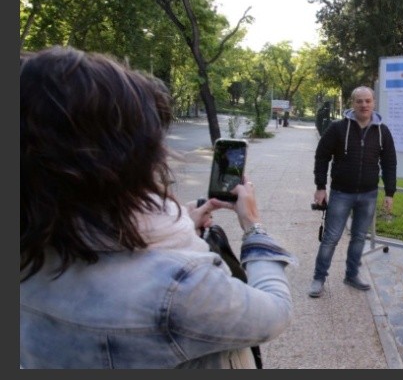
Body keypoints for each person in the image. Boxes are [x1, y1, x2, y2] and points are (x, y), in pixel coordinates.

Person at [20, 46, 297, 369]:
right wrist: (254, 226)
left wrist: (181, 225)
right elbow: (275, 312)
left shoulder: (29, 254)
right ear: (119, 158)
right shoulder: (179, 286)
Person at [309, 86, 397, 298]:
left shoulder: (382, 131)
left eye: (367, 101)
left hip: (368, 194)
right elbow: (322, 156)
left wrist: (390, 192)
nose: (364, 105)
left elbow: (389, 162)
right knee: (330, 238)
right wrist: (321, 187)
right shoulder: (337, 128)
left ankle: (351, 275)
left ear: (373, 103)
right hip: (341, 193)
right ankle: (319, 278)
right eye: (359, 101)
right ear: (352, 103)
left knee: (359, 237)